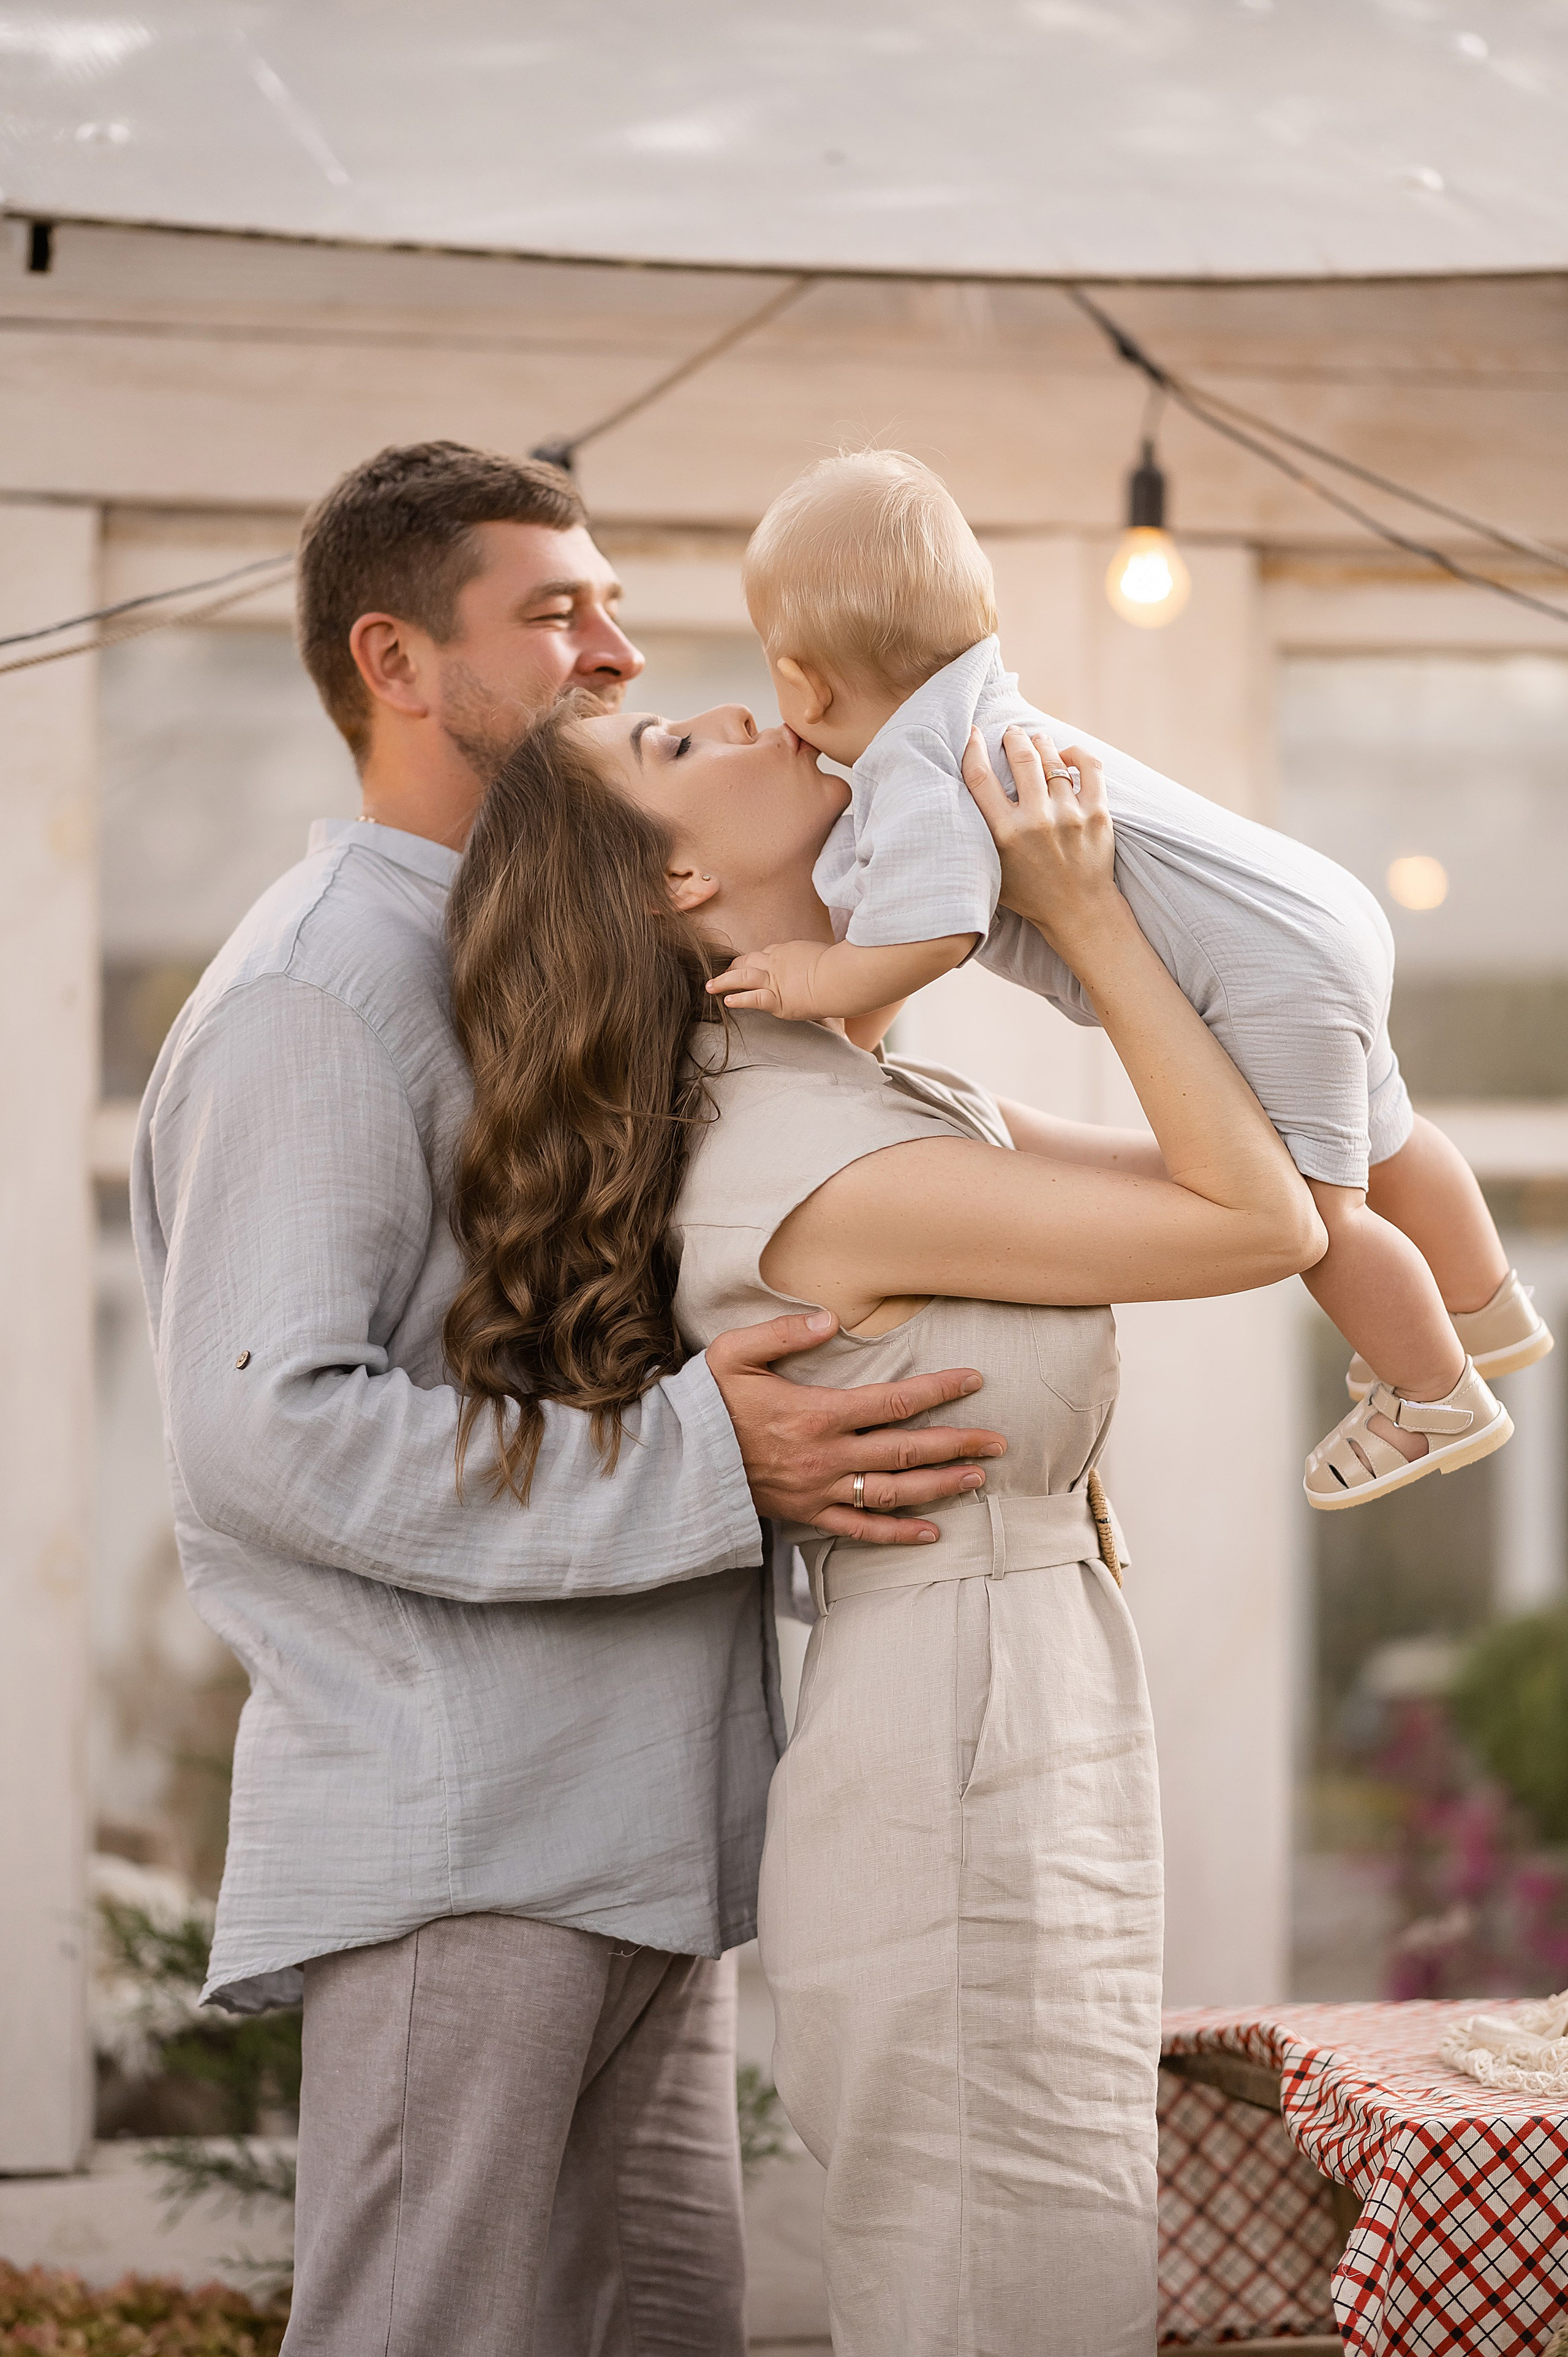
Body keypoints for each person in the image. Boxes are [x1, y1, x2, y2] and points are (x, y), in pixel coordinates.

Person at [131, 440, 1008, 2357]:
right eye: (554, 613)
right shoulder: (322, 992)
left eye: (609, 601)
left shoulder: (546, 951)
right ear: (396, 660)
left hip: (639, 1833)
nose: (617, 651)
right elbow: (271, 1430)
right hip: (468, 1846)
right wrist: (713, 1453)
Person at [442, 690, 1325, 2353]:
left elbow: (1286, 1161)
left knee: (1048, 2267)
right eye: (677, 753)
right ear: (674, 889)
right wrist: (1075, 910)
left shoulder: (872, 1090)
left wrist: (1051, 911)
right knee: (1003, 2287)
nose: (742, 708)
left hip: (1005, 1696)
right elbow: (1258, 1220)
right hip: (953, 1734)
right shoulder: (804, 1158)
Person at [719, 449, 1552, 1511]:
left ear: (799, 680)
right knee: (1386, 1126)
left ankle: (1433, 1393)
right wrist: (852, 1040)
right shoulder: (986, 707)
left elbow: (929, 935)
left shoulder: (918, 773)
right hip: (1315, 913)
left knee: (1318, 1211)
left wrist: (813, 978)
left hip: (1260, 974)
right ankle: (1485, 1308)